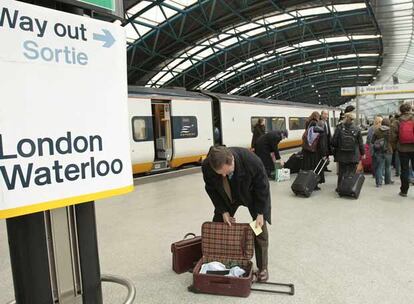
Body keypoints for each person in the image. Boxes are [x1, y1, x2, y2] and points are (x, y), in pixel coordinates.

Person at [202, 146, 271, 282]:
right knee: (219, 224)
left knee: (259, 229)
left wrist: (260, 213)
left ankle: (263, 267)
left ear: (232, 161)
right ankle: (217, 261)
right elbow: (211, 189)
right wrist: (223, 210)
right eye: (220, 173)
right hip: (226, 196)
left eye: (226, 172)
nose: (223, 176)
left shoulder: (252, 161)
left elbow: (262, 188)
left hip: (251, 195)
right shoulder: (207, 165)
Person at [332, 112, 365, 190]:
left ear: (344, 118)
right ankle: (349, 188)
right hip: (353, 155)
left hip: (341, 155)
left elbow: (333, 142)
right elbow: (361, 143)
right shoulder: (357, 129)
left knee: (341, 173)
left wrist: (339, 146)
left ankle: (340, 188)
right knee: (351, 173)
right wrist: (363, 153)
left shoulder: (339, 128)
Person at [390, 103, 414, 197]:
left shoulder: (397, 121)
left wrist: (395, 146)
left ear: (401, 111)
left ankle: (404, 191)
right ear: (410, 109)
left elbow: (392, 137)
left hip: (402, 149)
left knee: (404, 170)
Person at [302, 111, 328, 190]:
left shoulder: (308, 124)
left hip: (306, 150)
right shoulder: (318, 127)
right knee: (315, 168)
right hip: (314, 151)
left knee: (308, 168)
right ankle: (314, 185)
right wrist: (324, 154)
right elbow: (321, 143)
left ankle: (306, 183)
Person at [371, 118, 394, 187]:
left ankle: (379, 183)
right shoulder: (390, 131)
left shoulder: (377, 130)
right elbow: (393, 140)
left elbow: (372, 141)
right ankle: (387, 181)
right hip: (388, 151)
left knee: (379, 167)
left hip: (379, 151)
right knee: (388, 167)